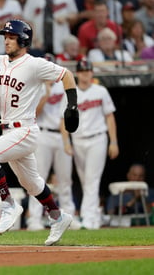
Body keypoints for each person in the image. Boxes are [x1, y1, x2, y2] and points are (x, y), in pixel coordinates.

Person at [0, 19, 79, 246]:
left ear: (24, 39)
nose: (6, 41)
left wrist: (72, 106)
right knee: (31, 184)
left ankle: (9, 204)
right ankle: (58, 216)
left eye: (11, 37)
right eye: (5, 37)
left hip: (25, 130)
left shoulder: (35, 64)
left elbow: (67, 75)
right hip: (8, 130)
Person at [60, 59, 119, 230]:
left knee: (92, 179)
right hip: (78, 140)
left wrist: (113, 141)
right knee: (86, 180)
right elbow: (63, 119)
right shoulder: (72, 93)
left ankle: (87, 217)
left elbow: (110, 116)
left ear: (92, 72)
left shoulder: (100, 91)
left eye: (88, 71)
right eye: (82, 71)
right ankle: (94, 216)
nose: (85, 74)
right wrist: (66, 142)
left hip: (98, 138)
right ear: (77, 73)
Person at [26, 54, 81, 231]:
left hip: (59, 135)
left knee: (65, 179)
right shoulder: (35, 86)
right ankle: (34, 219)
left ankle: (69, 217)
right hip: (41, 134)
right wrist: (45, 94)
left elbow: (63, 116)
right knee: (38, 177)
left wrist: (66, 141)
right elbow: (33, 114)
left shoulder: (62, 86)